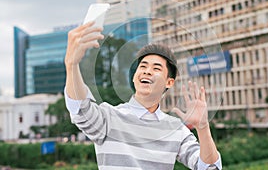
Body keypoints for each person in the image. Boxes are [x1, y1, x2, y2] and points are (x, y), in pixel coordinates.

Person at [64, 21, 222, 170]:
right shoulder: (109, 117)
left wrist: (202, 127)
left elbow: (210, 167)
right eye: (143, 66)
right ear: (134, 77)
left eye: (156, 68)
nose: (147, 71)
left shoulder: (175, 129)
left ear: (169, 82)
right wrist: (71, 65)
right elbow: (79, 108)